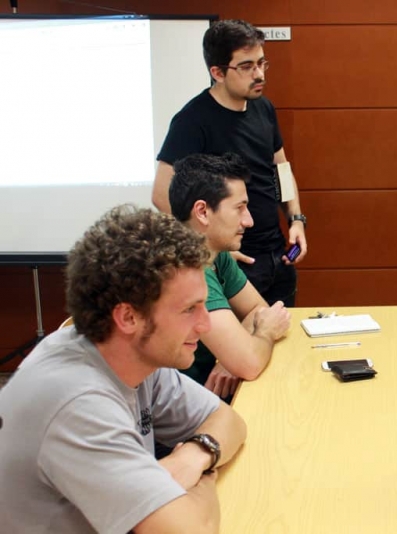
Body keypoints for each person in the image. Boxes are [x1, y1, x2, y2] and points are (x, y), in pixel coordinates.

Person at [0, 206, 247, 533]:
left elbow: (230, 421)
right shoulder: (77, 404)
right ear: (128, 318)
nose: (204, 324)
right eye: (189, 309)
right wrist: (204, 483)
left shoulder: (134, 354)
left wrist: (193, 455)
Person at [153, 18, 307, 307]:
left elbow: (281, 169)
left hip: (277, 254)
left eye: (262, 63)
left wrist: (296, 219)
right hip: (234, 263)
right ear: (217, 72)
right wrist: (213, 250)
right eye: (247, 67)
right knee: (241, 348)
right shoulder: (192, 120)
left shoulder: (264, 108)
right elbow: (162, 195)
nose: (259, 74)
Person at [169, 152, 291, 399]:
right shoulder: (189, 267)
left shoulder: (217, 253)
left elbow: (257, 308)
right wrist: (263, 333)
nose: (249, 221)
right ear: (202, 211)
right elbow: (249, 364)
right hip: (178, 408)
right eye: (240, 208)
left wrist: (231, 355)